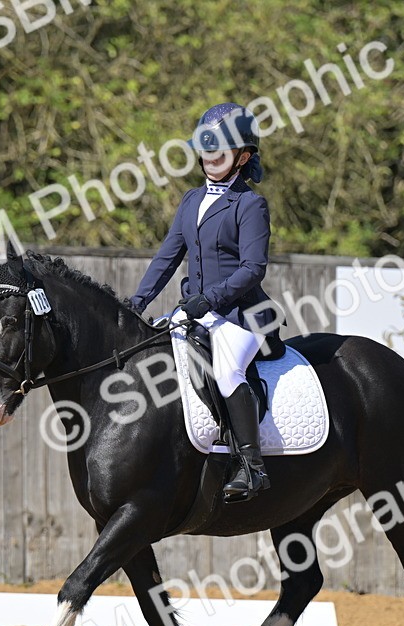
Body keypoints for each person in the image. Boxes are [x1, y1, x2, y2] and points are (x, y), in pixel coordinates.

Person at [128, 102, 274, 501]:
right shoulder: (191, 200)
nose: (211, 157)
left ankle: (252, 467)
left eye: (220, 151)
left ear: (242, 157)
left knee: (227, 373)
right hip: (196, 311)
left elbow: (253, 269)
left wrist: (209, 299)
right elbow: (167, 257)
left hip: (239, 315)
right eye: (207, 149)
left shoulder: (250, 205)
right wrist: (136, 303)